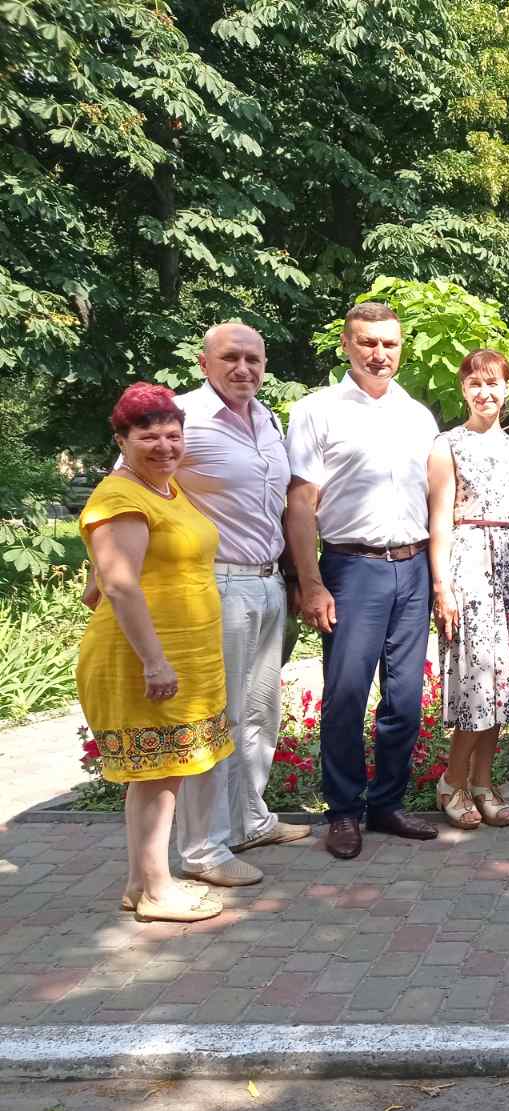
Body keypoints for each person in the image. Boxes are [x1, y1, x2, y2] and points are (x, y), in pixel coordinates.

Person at [286, 302, 441, 859]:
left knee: (405, 698)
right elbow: (300, 502)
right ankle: (344, 812)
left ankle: (388, 804)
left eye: (389, 344)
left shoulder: (418, 416)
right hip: (352, 568)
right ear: (347, 345)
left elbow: (437, 499)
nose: (379, 354)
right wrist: (311, 583)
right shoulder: (317, 411)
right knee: (347, 696)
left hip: (413, 567)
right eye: (368, 342)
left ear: (401, 348)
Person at [159, 323, 308, 888]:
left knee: (260, 711)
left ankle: (250, 820)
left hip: (268, 584)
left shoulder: (267, 418)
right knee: (216, 717)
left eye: (253, 359)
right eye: (230, 358)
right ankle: (204, 849)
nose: (243, 368)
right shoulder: (181, 417)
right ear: (204, 363)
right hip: (216, 584)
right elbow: (131, 488)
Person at [77, 384, 230, 923]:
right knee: (157, 775)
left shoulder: (163, 488)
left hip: (182, 650)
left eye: (172, 435)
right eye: (148, 437)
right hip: (145, 657)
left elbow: (113, 569)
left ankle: (140, 882)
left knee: (163, 772)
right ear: (122, 440)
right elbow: (120, 585)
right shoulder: (121, 496)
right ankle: (157, 891)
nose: (164, 446)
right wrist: (155, 661)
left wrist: (96, 576)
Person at [426, 350, 509, 830]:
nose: (485, 392)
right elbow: (439, 520)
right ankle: (452, 781)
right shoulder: (447, 445)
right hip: (471, 567)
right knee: (477, 679)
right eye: (475, 384)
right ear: (463, 389)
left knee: (505, 682)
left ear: (507, 388)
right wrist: (442, 586)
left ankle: (482, 782)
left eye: (493, 383)